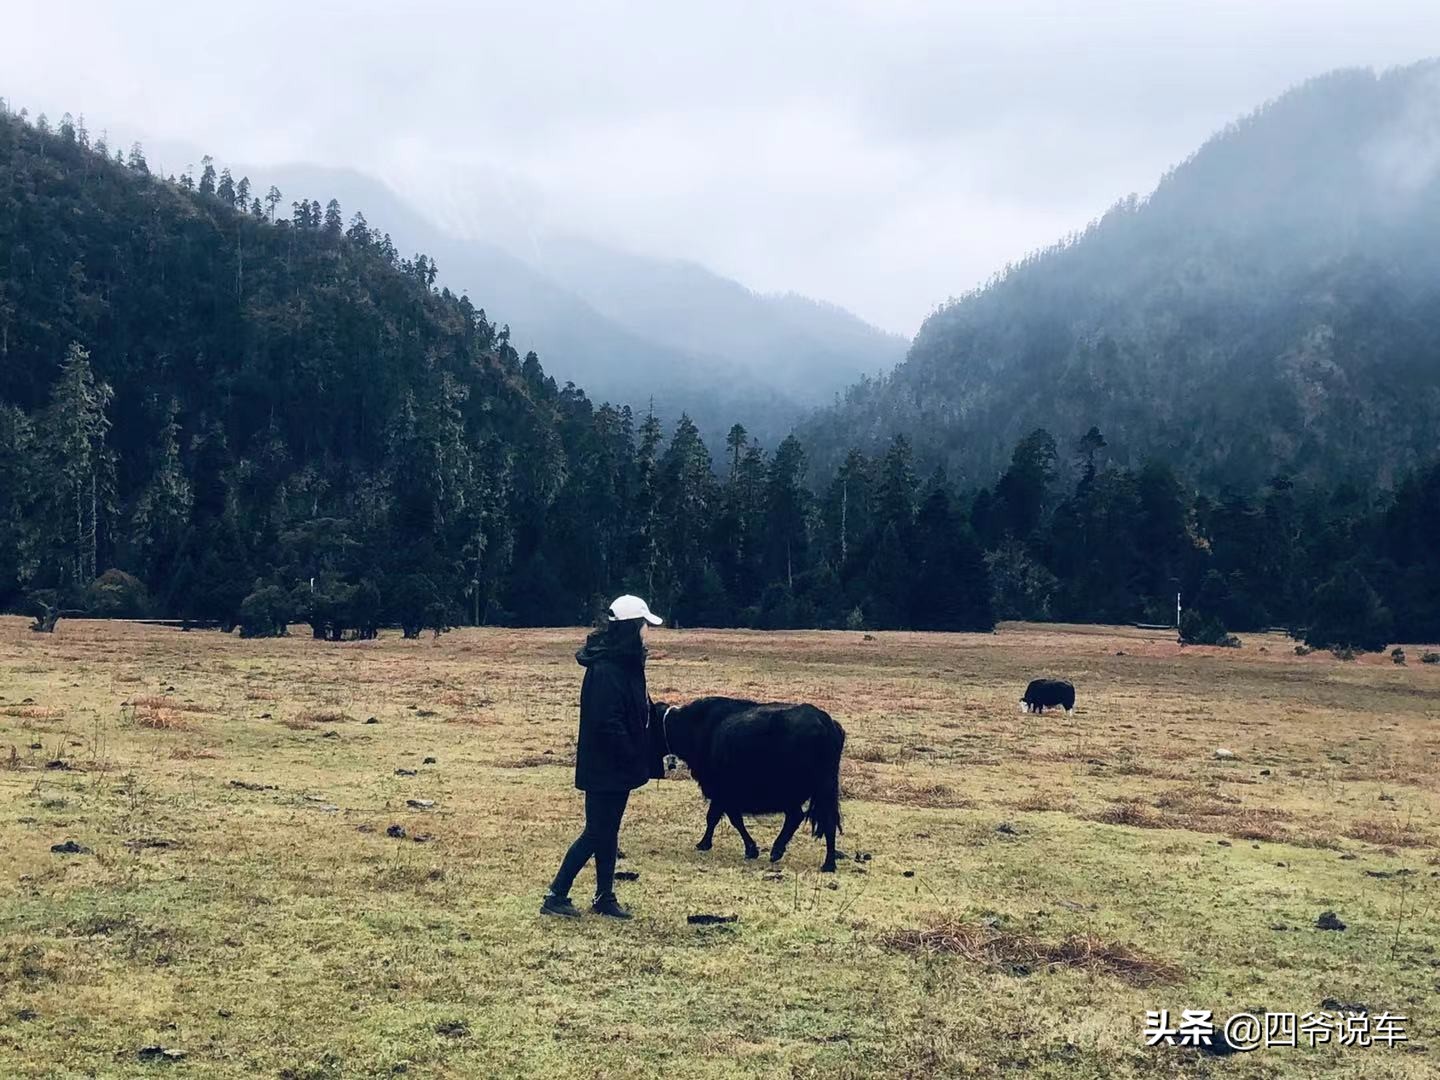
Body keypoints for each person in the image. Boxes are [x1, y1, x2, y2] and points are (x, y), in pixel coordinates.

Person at [541, 594, 665, 919]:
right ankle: (556, 895)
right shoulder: (607, 669)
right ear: (631, 628)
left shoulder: (626, 664)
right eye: (644, 625)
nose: (648, 631)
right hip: (605, 766)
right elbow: (607, 723)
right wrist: (631, 754)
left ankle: (604, 897)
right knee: (597, 832)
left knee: (608, 831)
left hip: (617, 766)